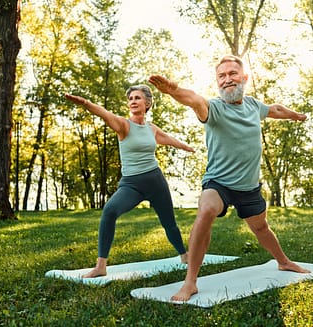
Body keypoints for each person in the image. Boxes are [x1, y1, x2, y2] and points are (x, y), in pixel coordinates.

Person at [149, 55, 310, 301]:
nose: (227, 80)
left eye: (233, 74)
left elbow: (275, 109)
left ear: (244, 78)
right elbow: (194, 100)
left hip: (248, 186)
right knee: (206, 210)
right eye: (222, 76)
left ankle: (283, 261)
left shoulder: (254, 106)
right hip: (219, 183)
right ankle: (190, 281)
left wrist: (295, 116)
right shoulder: (214, 108)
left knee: (261, 227)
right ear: (217, 82)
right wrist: (173, 91)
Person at [65, 84, 194, 278]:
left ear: (147, 103)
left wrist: (186, 147)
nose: (133, 101)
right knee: (109, 211)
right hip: (132, 184)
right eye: (131, 98)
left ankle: (184, 256)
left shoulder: (151, 128)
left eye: (137, 98)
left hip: (155, 180)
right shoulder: (123, 125)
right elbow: (105, 114)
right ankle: (101, 266)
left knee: (169, 223)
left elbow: (167, 138)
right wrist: (85, 103)